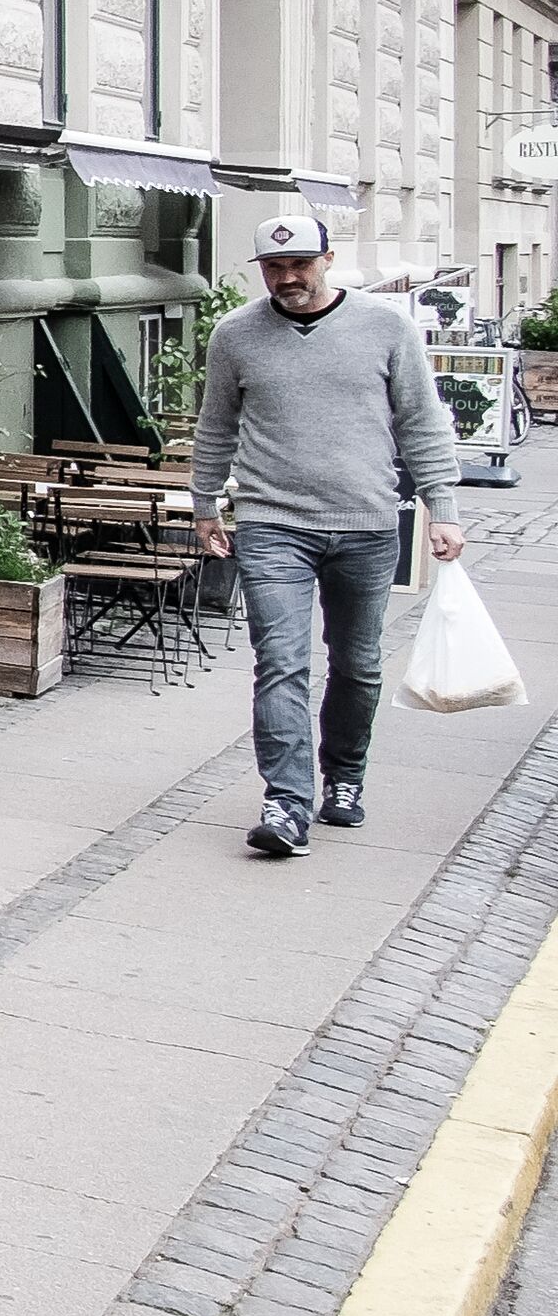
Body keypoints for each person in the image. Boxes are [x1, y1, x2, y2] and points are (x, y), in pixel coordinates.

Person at [190, 213, 465, 858]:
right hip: (272, 523)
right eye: (274, 267)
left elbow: (421, 420)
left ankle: (343, 778)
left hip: (367, 523)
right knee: (282, 664)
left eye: (300, 265)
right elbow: (216, 426)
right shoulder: (236, 336)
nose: (287, 278)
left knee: (358, 665)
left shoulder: (386, 326)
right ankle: (286, 803)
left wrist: (443, 507)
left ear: (328, 259)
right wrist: (205, 505)